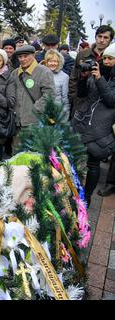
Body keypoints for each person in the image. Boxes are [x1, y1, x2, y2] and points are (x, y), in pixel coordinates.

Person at [72, 43, 115, 206]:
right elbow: (82, 94)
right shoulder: (97, 72)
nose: (106, 61)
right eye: (104, 58)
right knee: (74, 157)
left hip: (102, 126)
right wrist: (84, 78)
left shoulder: (100, 76)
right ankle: (73, 190)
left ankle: (87, 196)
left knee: (93, 163)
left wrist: (99, 79)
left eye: (110, 58)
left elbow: (111, 100)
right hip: (84, 121)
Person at [11, 45, 55, 150]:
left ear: (33, 55)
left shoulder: (44, 72)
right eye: (20, 57)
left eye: (26, 56)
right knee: (17, 155)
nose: (22, 59)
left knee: (35, 155)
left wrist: (36, 109)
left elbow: (49, 95)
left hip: (36, 122)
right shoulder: (14, 73)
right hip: (18, 123)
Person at [69, 25, 114, 116]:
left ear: (110, 40)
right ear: (95, 37)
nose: (102, 40)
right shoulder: (82, 55)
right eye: (99, 36)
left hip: (100, 104)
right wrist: (74, 98)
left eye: (105, 37)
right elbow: (73, 78)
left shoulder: (111, 58)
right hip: (81, 101)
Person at [43, 49, 70, 119]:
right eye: (50, 61)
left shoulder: (64, 77)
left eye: (55, 61)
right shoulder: (42, 74)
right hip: (42, 112)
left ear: (59, 62)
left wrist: (64, 118)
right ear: (46, 62)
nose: (52, 63)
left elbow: (65, 99)